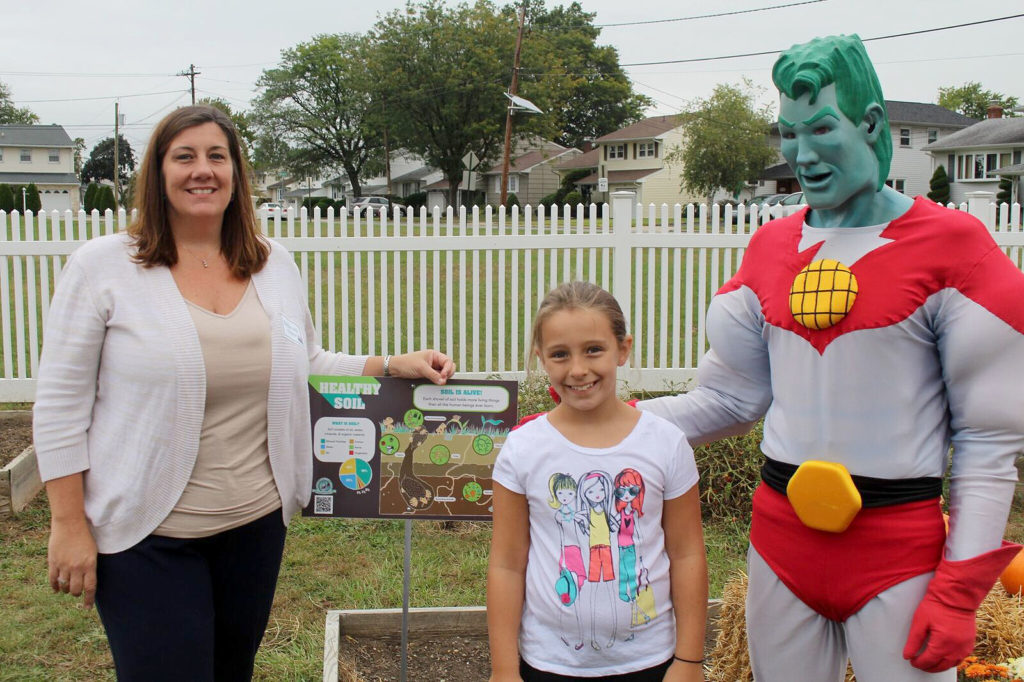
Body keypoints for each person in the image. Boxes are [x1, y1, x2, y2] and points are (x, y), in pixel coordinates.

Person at [639, 34, 1024, 680]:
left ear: (870, 123)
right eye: (789, 134)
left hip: (897, 552)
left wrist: (958, 590)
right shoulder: (768, 248)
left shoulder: (954, 249)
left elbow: (988, 441)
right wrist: (603, 426)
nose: (802, 154)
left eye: (821, 128)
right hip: (782, 546)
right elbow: (730, 400)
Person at [33, 104, 454, 682]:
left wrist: (388, 364)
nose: (201, 170)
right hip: (145, 537)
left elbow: (301, 360)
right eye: (184, 156)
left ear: (236, 173)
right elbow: (60, 405)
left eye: (216, 156)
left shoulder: (270, 262)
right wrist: (68, 523)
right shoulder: (103, 268)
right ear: (158, 173)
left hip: (254, 529)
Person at [488, 281, 707, 682]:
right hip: (549, 664)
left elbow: (688, 553)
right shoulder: (522, 449)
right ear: (541, 359)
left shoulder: (665, 443)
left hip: (651, 661)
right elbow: (506, 564)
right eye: (559, 354)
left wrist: (689, 661)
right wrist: (504, 670)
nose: (577, 369)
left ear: (622, 349)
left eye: (593, 349)